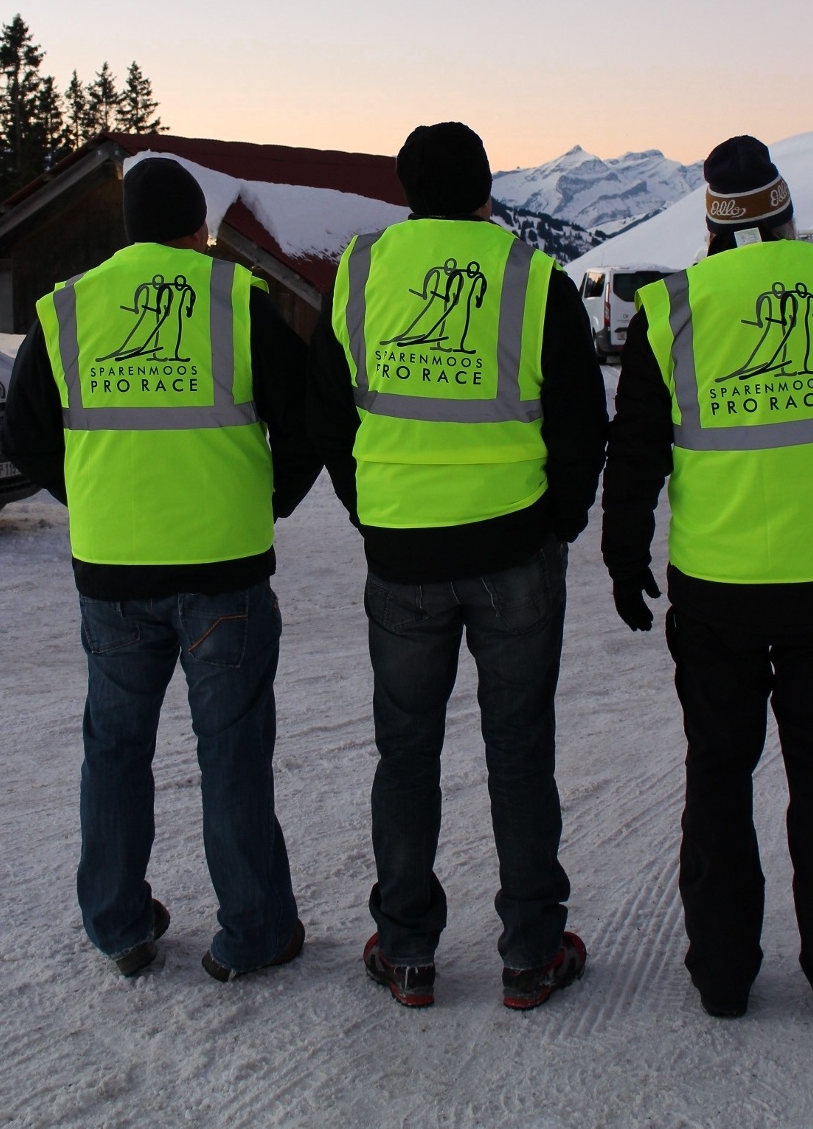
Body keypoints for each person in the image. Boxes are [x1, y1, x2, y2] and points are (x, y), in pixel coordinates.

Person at [602, 135, 813, 1020]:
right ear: (786, 213)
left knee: (718, 774)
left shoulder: (670, 310)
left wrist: (623, 549)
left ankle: (723, 975)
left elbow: (635, 450)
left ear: (712, 225)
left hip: (713, 590)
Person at [306, 122, 608, 1009]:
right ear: (486, 188)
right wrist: (559, 520)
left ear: (406, 190)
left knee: (405, 753)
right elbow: (584, 418)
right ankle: (530, 953)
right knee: (519, 752)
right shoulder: (532, 278)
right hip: (513, 549)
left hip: (402, 554)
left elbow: (328, 409)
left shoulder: (360, 273)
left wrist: (370, 502)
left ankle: (406, 951)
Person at [4, 156, 321, 980]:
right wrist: (269, 497)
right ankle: (251, 931)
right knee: (233, 752)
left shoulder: (67, 309)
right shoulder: (234, 301)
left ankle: (119, 926)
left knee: (113, 749)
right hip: (222, 567)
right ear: (196, 227)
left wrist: (100, 497)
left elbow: (24, 436)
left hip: (113, 571)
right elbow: (310, 419)